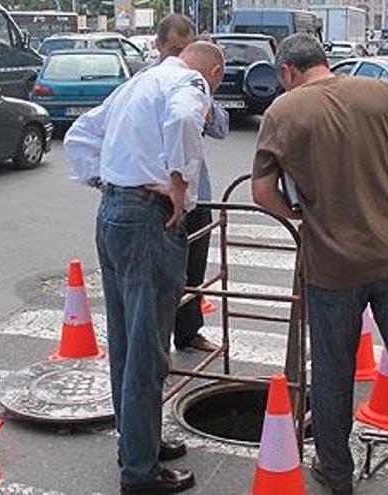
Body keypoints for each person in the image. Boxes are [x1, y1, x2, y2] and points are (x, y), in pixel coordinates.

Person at [251, 33, 388, 495]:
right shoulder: (381, 92)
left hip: (332, 268)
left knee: (332, 372)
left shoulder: (284, 112)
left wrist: (301, 216)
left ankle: (336, 473)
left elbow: (262, 193)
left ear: (287, 72)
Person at [64, 41, 225, 494]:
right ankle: (140, 471)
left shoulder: (138, 82)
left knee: (125, 340)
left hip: (114, 213)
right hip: (148, 220)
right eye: (215, 84)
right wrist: (178, 182)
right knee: (147, 349)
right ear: (213, 72)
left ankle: (137, 445)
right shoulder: (188, 82)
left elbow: (80, 134)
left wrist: (107, 180)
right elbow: (185, 118)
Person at [153, 14, 229, 353]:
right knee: (161, 275)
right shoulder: (150, 80)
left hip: (198, 192)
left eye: (185, 49)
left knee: (194, 269)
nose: (179, 57)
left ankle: (187, 333)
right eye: (172, 49)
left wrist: (206, 100)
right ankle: (156, 344)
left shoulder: (197, 85)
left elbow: (222, 129)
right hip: (159, 193)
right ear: (158, 47)